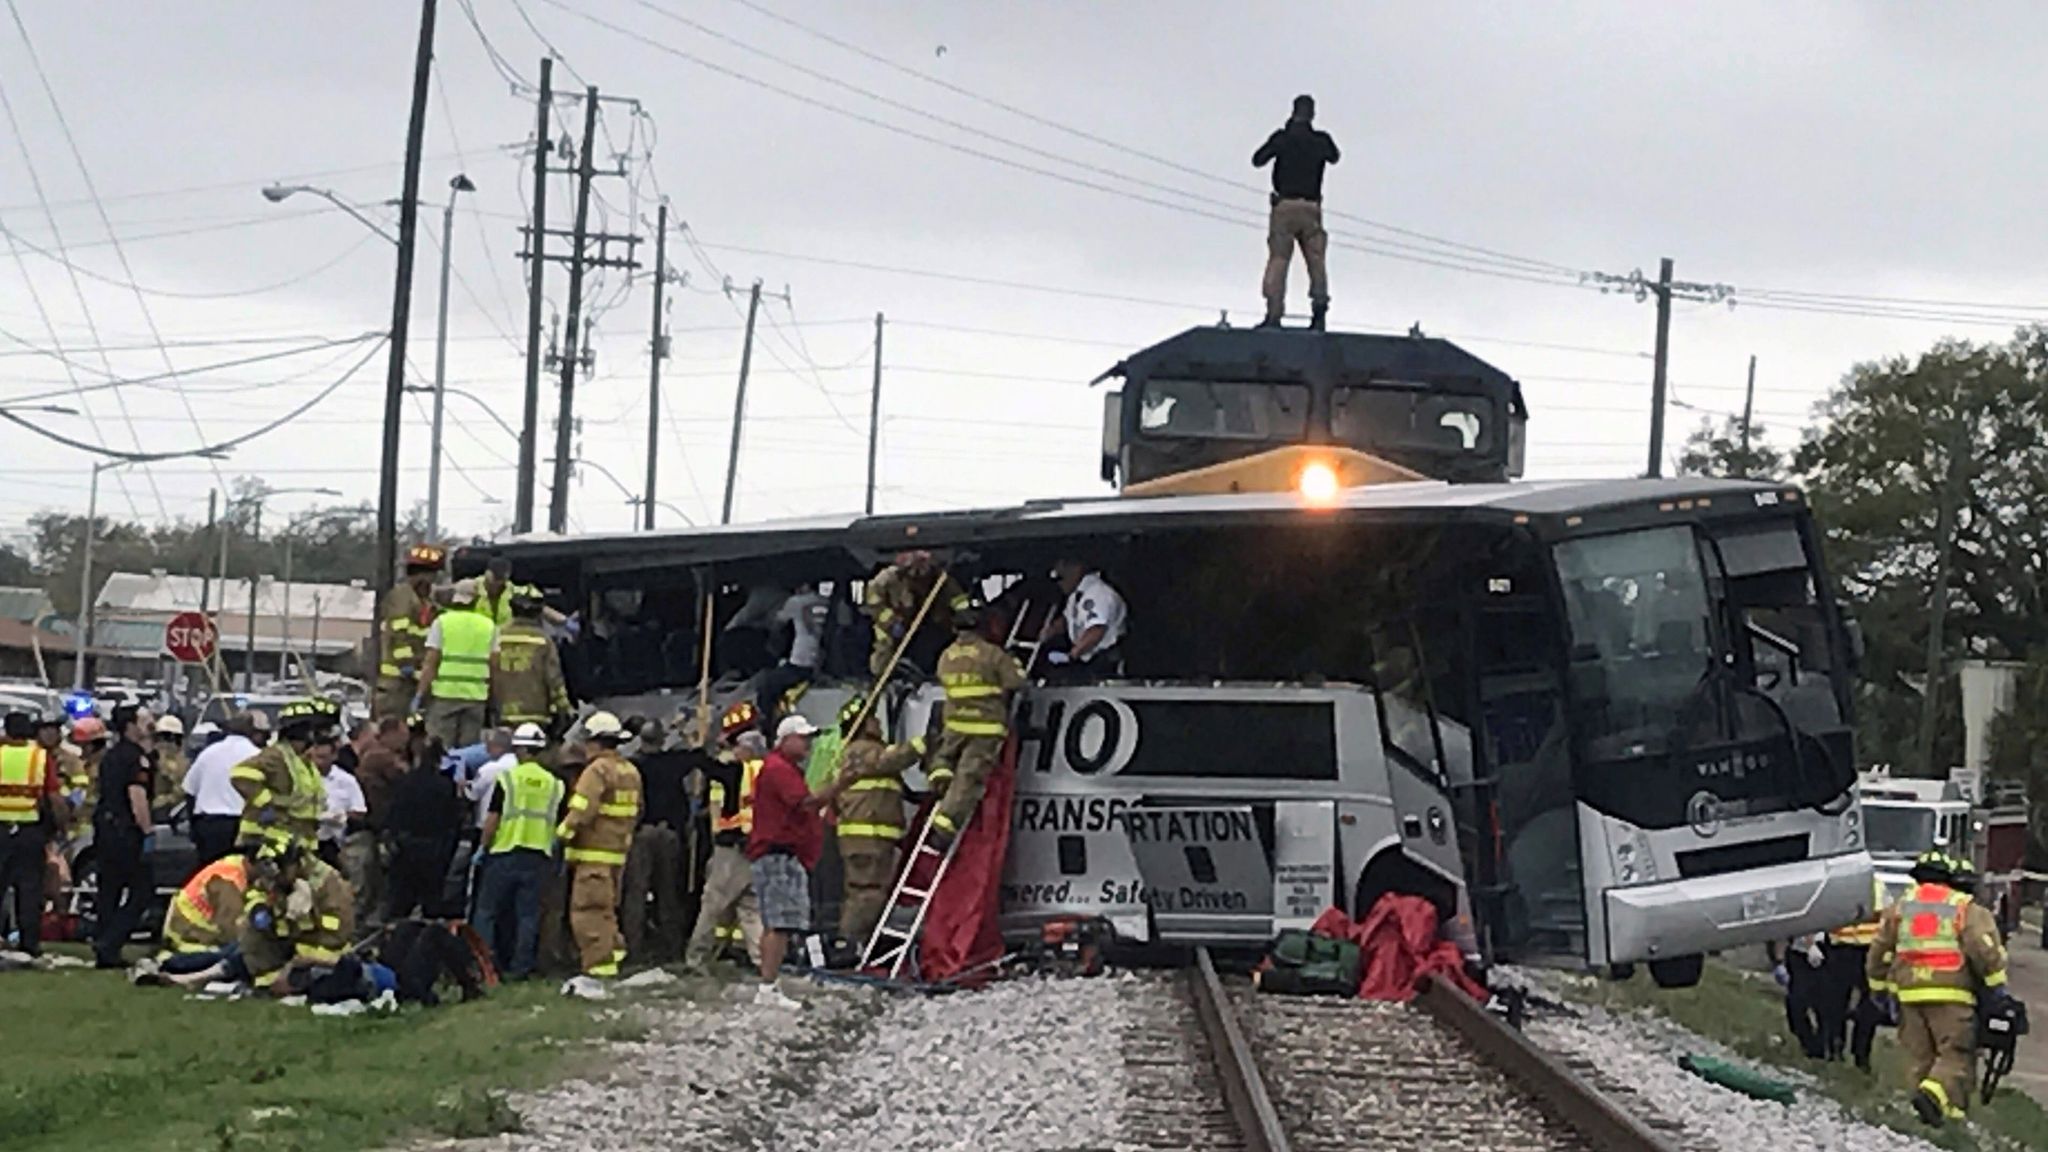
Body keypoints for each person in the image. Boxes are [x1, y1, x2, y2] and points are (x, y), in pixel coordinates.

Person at [1867, 850, 2011, 1127]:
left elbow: (1879, 951)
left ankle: (1935, 1118)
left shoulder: (1901, 906)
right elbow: (1984, 950)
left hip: (1909, 993)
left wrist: (1878, 987)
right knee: (1955, 1053)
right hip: (1951, 994)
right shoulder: (1962, 906)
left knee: (1921, 1057)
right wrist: (1996, 987)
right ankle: (1934, 1097)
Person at [813, 696, 925, 946]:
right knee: (867, 894)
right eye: (873, 719)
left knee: (866, 892)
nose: (878, 724)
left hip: (871, 840)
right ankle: (849, 945)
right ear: (862, 724)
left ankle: (855, 944)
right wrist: (923, 743)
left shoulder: (855, 753)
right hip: (867, 839)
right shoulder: (860, 750)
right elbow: (891, 758)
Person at [926, 601, 1026, 851]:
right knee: (968, 780)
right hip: (985, 728)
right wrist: (1015, 662)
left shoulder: (945, 656)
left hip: (955, 725)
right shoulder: (992, 654)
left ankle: (940, 777)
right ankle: (942, 829)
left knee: (944, 758)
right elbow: (1016, 682)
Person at [473, 723, 565, 980]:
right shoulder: (554, 784)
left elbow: (493, 819)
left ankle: (484, 966)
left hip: (505, 852)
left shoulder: (508, 779)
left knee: (487, 912)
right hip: (538, 855)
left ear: (519, 749)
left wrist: (483, 847)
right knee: (528, 915)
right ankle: (521, 968)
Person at [558, 711, 643, 989]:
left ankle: (599, 969)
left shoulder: (596, 771)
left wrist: (561, 834)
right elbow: (638, 811)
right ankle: (614, 955)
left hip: (592, 855)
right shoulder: (630, 771)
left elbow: (583, 810)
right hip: (617, 854)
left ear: (594, 742)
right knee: (607, 911)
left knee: (588, 912)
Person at [747, 715, 824, 1010]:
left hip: (781, 854)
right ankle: (767, 988)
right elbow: (805, 803)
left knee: (779, 922)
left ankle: (770, 984)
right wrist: (842, 783)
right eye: (802, 737)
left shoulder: (786, 769)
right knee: (778, 923)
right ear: (785, 739)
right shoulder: (779, 769)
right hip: (777, 854)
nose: (808, 743)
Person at [685, 706, 766, 971]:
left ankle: (696, 958)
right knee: (751, 909)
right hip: (758, 848)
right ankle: (763, 961)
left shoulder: (737, 772)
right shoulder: (767, 772)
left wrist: (699, 745)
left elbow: (708, 766)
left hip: (731, 848)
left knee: (713, 904)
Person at [1252, 93, 1340, 331]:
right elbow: (1335, 156)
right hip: (1311, 208)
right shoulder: (1321, 140)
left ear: (1293, 111)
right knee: (1316, 261)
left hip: (1284, 206)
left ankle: (1273, 314)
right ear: (1313, 114)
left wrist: (1281, 140)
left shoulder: (1282, 138)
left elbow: (1257, 160)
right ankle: (1319, 314)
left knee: (1279, 259)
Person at [238, 842, 356, 996]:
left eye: (281, 870)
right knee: (244, 935)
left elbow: (336, 934)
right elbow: (255, 893)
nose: (275, 877)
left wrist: (297, 962)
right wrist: (258, 908)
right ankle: (266, 982)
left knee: (324, 981)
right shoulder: (274, 879)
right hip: (286, 948)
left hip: (320, 955)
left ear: (296, 863)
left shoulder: (325, 882)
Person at [92, 704, 157, 969]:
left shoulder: (111, 755)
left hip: (105, 827)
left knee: (109, 889)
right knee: (142, 891)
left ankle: (104, 946)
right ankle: (111, 941)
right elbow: (137, 796)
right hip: (125, 831)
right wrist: (147, 830)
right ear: (130, 726)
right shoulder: (136, 758)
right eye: (144, 720)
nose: (149, 724)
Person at [230, 699, 333, 857]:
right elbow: (241, 774)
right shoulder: (276, 756)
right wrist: (266, 804)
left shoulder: (302, 761)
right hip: (269, 840)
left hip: (297, 841)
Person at [384, 733, 465, 921]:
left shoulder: (404, 782)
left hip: (405, 849)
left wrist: (392, 842)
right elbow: (453, 820)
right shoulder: (445, 786)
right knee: (432, 904)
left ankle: (394, 941)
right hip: (434, 851)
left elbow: (393, 815)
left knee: (399, 904)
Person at [0, 711, 58, 956]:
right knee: (29, 889)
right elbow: (52, 797)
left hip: (1, 830)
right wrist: (59, 824)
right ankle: (29, 943)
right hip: (29, 831)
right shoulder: (40, 757)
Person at [863, 552, 970, 678]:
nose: (919, 575)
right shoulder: (888, 578)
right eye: (915, 570)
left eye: (923, 569)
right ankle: (882, 677)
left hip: (931, 623)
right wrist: (891, 622)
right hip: (896, 621)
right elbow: (874, 602)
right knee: (885, 645)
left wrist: (964, 619)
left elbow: (958, 599)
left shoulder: (940, 579)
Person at [1820, 876, 1888, 1071]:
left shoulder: (1878, 887)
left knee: (1869, 1007)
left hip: (1869, 951)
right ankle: (1835, 1047)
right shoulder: (1836, 886)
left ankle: (1861, 1054)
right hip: (1841, 949)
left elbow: (1888, 920)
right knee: (1834, 1004)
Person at [419, 579, 496, 749]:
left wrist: (420, 695)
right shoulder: (488, 626)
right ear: (477, 600)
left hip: (445, 697)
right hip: (475, 699)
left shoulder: (442, 623)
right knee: (467, 753)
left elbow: (431, 663)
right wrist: (495, 701)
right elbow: (494, 666)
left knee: (439, 750)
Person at [377, 544, 445, 720]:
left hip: (413, 682)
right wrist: (408, 666)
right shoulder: (402, 597)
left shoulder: (427, 602)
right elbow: (399, 635)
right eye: (432, 575)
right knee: (391, 732)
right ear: (421, 575)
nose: (433, 580)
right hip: (396, 684)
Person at [492, 585, 572, 734]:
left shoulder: (497, 635)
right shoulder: (543, 640)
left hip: (501, 712)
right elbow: (554, 679)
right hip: (535, 712)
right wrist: (564, 709)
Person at [183, 714, 258, 864]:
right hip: (244, 826)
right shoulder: (256, 755)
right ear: (252, 731)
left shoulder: (208, 754)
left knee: (211, 877)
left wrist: (194, 827)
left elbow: (189, 790)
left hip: (211, 826)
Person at [755, 583, 829, 731]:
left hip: (800, 664)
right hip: (820, 662)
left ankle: (768, 725)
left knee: (765, 682)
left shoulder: (796, 602)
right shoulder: (825, 602)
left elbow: (777, 624)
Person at [1043, 558, 1128, 678]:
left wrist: (1072, 656)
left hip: (1104, 662)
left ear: (1077, 569)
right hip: (1086, 659)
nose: (1059, 584)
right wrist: (1050, 631)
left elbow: (1096, 630)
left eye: (1060, 578)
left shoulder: (1097, 594)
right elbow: (1068, 619)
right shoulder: (1076, 596)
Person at [318, 735, 369, 871]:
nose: (318, 762)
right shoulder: (304, 778)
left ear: (334, 756)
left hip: (338, 842)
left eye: (323, 757)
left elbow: (360, 811)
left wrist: (342, 815)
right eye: (316, 757)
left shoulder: (346, 780)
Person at [150, 714, 189, 806]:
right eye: (160, 738)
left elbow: (182, 789)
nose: (164, 743)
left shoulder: (182, 763)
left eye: (168, 739)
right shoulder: (152, 758)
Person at [479, 555, 516, 628]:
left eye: (502, 579)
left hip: (503, 633)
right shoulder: (471, 587)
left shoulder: (512, 589)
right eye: (496, 578)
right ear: (487, 572)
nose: (498, 583)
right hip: (478, 633)